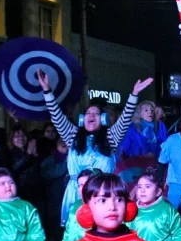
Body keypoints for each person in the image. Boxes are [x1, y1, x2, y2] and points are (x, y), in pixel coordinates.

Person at [36, 69, 152, 225]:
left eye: (96, 114)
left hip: (103, 193)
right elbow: (56, 115)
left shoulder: (111, 137)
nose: (91, 116)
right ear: (82, 119)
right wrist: (47, 90)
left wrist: (134, 94)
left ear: (103, 119)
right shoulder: (73, 136)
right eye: (88, 114)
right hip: (76, 194)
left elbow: (124, 119)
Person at [117, 100, 167, 191]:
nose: (150, 112)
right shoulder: (132, 127)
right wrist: (122, 153)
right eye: (146, 110)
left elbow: (165, 145)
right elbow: (125, 146)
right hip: (136, 166)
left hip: (155, 166)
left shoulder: (160, 126)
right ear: (139, 113)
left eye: (152, 110)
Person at [59, 168, 102, 241]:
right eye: (79, 185)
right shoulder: (75, 206)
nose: (80, 189)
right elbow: (67, 235)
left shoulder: (103, 209)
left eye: (84, 185)